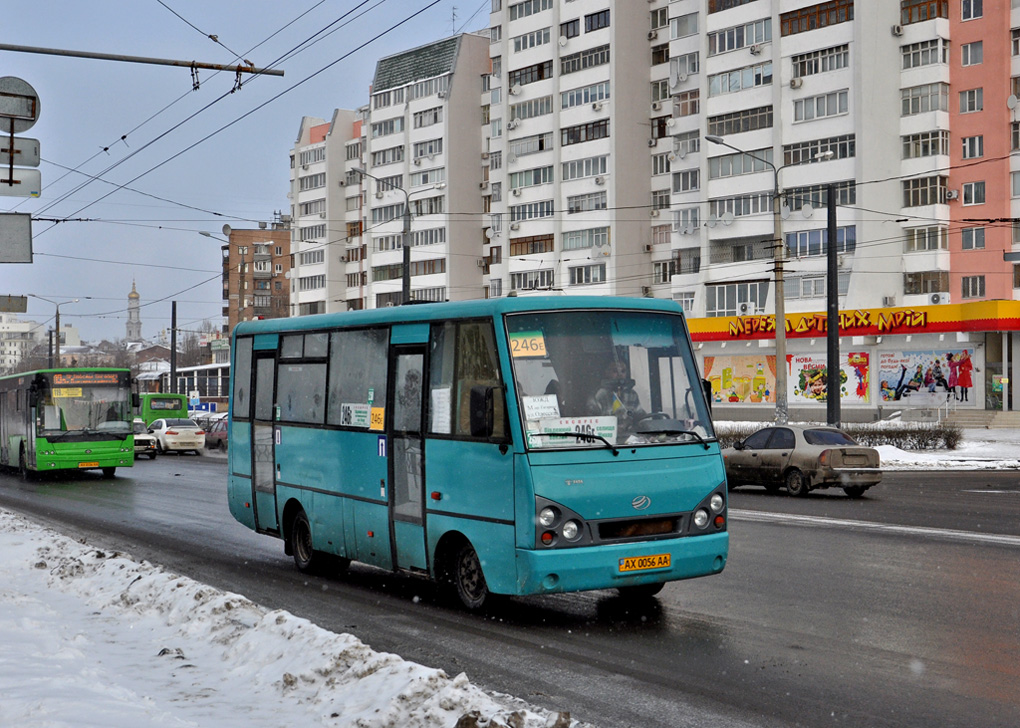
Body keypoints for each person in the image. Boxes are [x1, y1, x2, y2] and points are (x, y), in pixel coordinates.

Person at [587, 360, 645, 426]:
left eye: (623, 371)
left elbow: (641, 417)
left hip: (629, 434)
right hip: (606, 435)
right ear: (607, 372)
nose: (620, 375)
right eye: (615, 371)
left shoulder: (632, 394)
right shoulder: (598, 395)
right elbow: (591, 422)